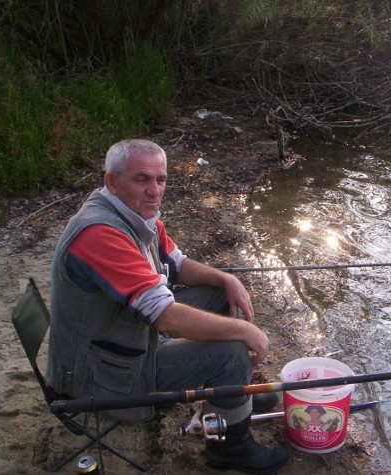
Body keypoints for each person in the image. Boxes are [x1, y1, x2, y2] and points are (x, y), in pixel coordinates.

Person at [47, 139, 288, 473]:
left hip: (122, 335)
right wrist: (245, 330)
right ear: (112, 182)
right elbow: (166, 318)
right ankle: (230, 450)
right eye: (141, 179)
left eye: (160, 180)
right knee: (232, 351)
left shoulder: (135, 215)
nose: (154, 190)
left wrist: (227, 280)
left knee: (220, 295)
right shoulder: (100, 233)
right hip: (98, 374)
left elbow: (176, 263)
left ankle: (232, 394)